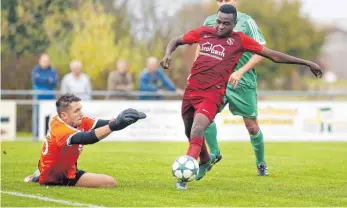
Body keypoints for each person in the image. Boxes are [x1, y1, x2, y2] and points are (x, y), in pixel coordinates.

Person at [160, 4, 322, 189]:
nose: (220, 26)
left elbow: (273, 56)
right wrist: (167, 55)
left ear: (234, 24)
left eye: (226, 24)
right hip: (191, 91)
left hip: (212, 95)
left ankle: (184, 175)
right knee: (189, 132)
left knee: (198, 129)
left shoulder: (240, 40)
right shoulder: (204, 32)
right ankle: (205, 160)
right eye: (219, 22)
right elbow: (176, 40)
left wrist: (307, 63)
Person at [198, 0, 269, 176]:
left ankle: (261, 163)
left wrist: (241, 72)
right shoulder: (209, 21)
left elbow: (262, 50)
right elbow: (202, 46)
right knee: (203, 116)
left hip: (242, 82)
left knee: (251, 126)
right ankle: (214, 153)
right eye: (220, 0)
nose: (224, 2)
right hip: (216, 80)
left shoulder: (247, 22)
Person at [24, 93, 146, 187]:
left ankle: (40, 173)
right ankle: (43, 175)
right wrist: (114, 125)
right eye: (76, 111)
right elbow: (88, 138)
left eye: (80, 109)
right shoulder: (60, 129)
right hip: (59, 177)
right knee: (110, 183)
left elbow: (102, 124)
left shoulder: (75, 120)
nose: (80, 113)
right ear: (64, 115)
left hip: (66, 169)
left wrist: (121, 122)